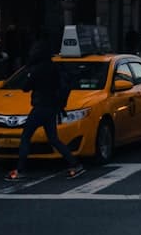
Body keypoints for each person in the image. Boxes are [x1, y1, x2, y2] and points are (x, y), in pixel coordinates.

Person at [5, 41, 85, 181]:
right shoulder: (54, 68)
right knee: (53, 138)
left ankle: (20, 170)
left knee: (26, 137)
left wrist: (29, 74)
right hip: (52, 107)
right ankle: (75, 164)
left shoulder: (36, 70)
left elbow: (25, 87)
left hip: (40, 107)